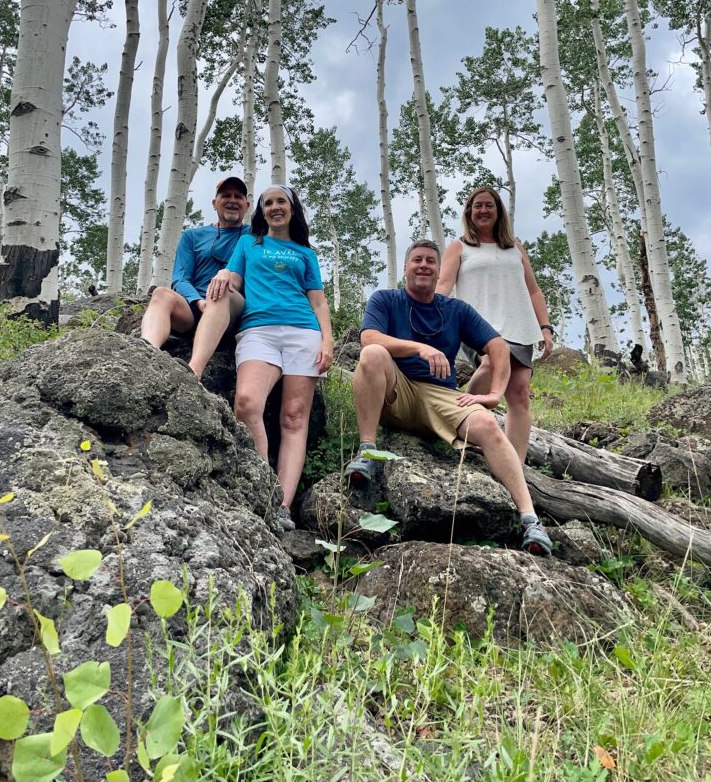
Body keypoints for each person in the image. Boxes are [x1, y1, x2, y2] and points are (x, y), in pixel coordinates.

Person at [344, 239, 551, 556]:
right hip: (396, 390)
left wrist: (495, 393)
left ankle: (530, 520)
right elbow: (368, 338)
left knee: (487, 424)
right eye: (417, 260)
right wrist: (419, 348)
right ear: (405, 267)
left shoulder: (455, 310)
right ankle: (367, 452)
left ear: (439, 270)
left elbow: (497, 347)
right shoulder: (385, 300)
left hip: (442, 397)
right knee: (372, 354)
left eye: (430, 260)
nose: (423, 265)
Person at [207, 185, 333, 532]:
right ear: (260, 211)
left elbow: (318, 302)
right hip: (258, 330)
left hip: (303, 333)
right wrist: (220, 275)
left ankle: (281, 506)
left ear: (293, 209)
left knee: (293, 419)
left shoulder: (306, 253)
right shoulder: (248, 243)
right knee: (246, 403)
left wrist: (327, 340)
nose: (275, 207)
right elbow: (233, 278)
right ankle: (262, 486)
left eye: (281, 202)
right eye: (268, 203)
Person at [436, 186, 553, 463]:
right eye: (478, 206)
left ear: (499, 211)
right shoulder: (459, 247)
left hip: (519, 325)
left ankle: (515, 464)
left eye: (489, 205)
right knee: (489, 365)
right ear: (469, 212)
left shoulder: (515, 247)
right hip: (478, 324)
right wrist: (430, 319)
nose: (483, 210)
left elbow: (534, 290)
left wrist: (545, 327)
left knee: (520, 394)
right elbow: (443, 285)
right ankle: (458, 419)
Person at [140, 176, 250, 378]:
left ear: (247, 205)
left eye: (238, 196)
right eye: (225, 195)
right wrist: (198, 302)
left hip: (232, 310)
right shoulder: (192, 237)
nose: (232, 200)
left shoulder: (254, 236)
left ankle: (194, 371)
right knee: (161, 293)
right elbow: (180, 278)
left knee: (221, 290)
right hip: (195, 309)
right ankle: (146, 355)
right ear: (214, 203)